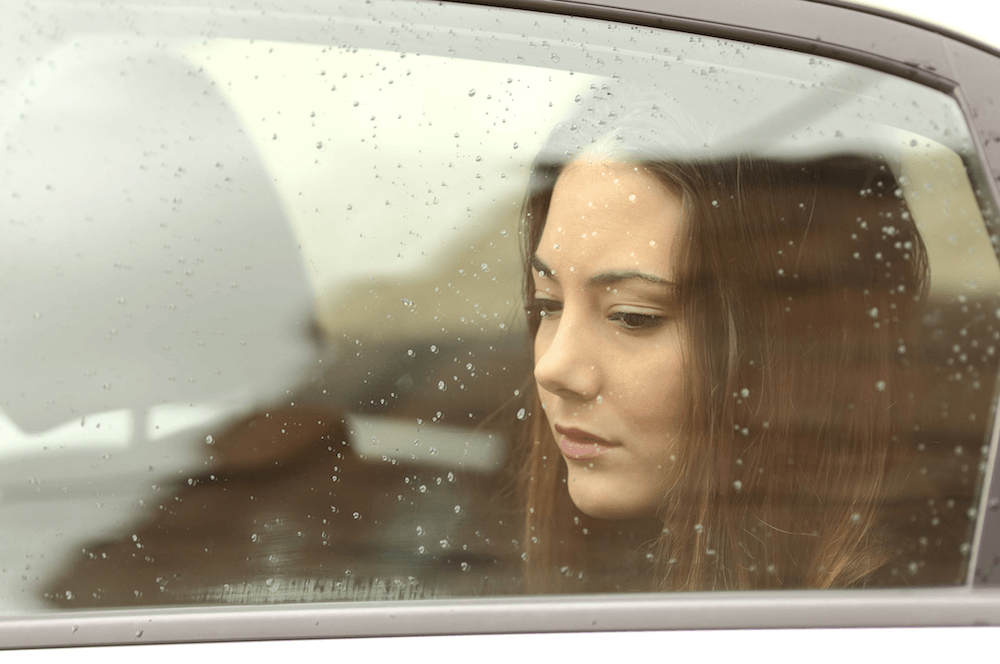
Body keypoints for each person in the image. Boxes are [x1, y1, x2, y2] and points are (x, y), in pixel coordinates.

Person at [515, 90, 930, 593]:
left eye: (633, 316)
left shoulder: (895, 619)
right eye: (548, 304)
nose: (553, 368)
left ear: (789, 347)